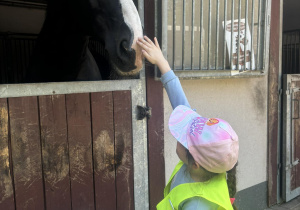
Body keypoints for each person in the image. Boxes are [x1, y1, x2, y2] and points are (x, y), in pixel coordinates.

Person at [137, 36, 239, 210]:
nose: (180, 132)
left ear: (196, 164)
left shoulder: (197, 205)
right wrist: (161, 62)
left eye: (184, 136)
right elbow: (181, 105)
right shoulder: (202, 165)